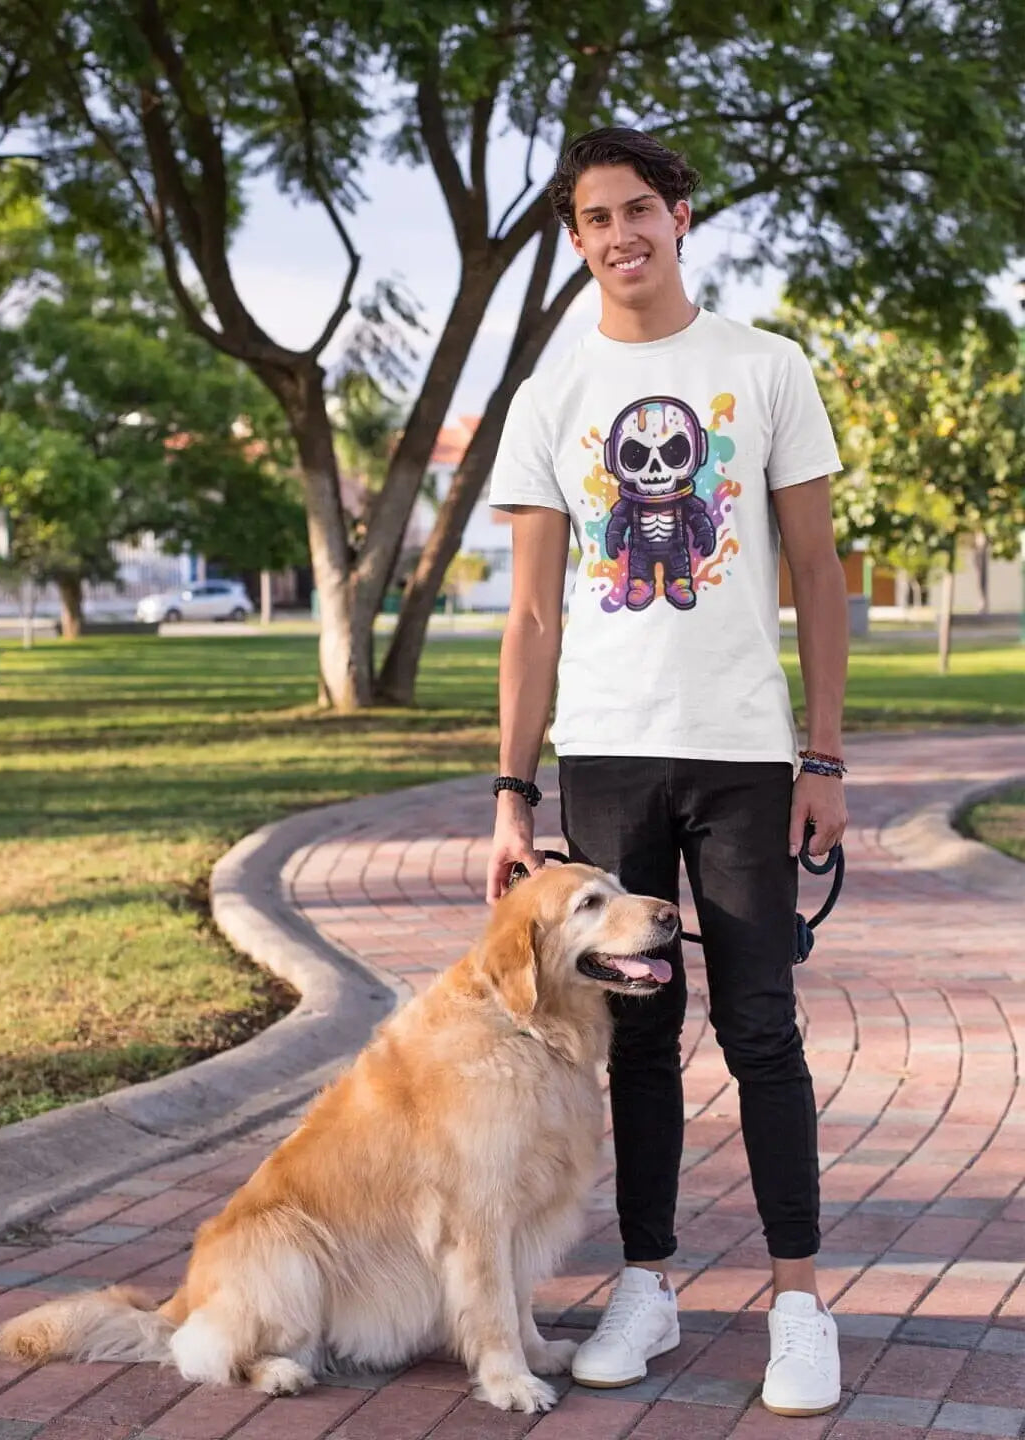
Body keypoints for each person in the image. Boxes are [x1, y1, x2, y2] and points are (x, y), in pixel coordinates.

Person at [486, 127, 849, 1417]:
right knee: (637, 1039)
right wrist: (513, 791)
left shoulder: (766, 366)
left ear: (679, 216)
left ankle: (799, 1306)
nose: (619, 235)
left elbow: (817, 573)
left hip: (745, 756)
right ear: (575, 237)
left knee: (762, 1030)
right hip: (608, 756)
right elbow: (533, 615)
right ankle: (648, 1283)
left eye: (638, 209)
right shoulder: (551, 394)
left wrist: (823, 754)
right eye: (595, 218)